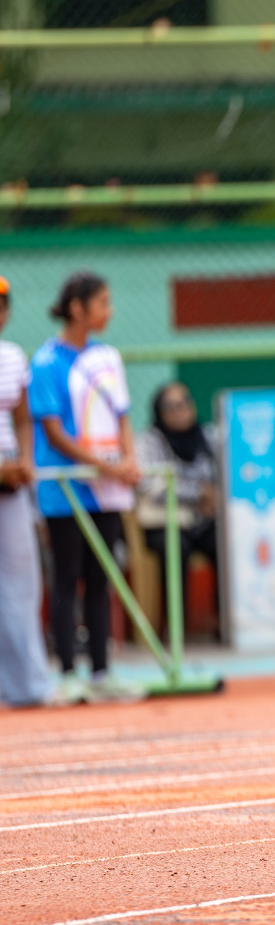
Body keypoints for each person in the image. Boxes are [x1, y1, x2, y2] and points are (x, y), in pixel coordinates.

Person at [30, 271, 144, 703]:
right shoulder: (45, 362)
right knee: (67, 575)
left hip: (106, 487)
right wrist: (104, 465)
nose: (109, 311)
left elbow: (123, 415)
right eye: (102, 303)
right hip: (67, 487)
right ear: (77, 308)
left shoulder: (108, 358)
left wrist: (127, 461)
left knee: (101, 576)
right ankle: (66, 673)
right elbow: (54, 432)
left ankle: (101, 671)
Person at [0, 276, 59, 709]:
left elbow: (22, 417)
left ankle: (28, 685)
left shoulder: (13, 357)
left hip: (11, 479)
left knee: (22, 580)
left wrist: (24, 461)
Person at [135, 382, 222, 630]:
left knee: (223, 541)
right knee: (175, 547)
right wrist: (197, 493)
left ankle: (224, 619)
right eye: (171, 407)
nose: (179, 411)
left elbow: (227, 475)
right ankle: (175, 624)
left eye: (184, 404)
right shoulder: (150, 440)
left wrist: (213, 498)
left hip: (203, 520)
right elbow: (151, 486)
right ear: (159, 412)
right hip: (165, 522)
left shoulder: (208, 437)